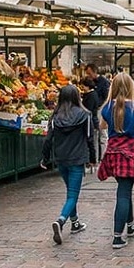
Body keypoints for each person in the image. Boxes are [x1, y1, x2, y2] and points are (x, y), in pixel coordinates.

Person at [97, 73, 134, 249]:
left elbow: (102, 127)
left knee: (124, 188)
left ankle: (130, 225)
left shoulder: (107, 108)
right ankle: (117, 236)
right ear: (131, 87)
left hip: (113, 153)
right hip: (130, 154)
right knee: (123, 193)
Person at [45, 85, 96, 245]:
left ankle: (75, 223)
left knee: (70, 192)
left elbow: (48, 139)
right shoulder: (84, 115)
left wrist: (44, 157)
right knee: (73, 194)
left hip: (61, 159)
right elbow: (89, 138)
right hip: (77, 158)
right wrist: (92, 158)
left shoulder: (55, 116)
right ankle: (61, 221)